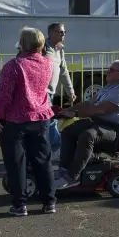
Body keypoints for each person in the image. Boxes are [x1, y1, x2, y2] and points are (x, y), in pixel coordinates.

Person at [0, 28, 56, 216]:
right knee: (43, 160)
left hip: (16, 120)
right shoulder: (47, 62)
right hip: (42, 116)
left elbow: (4, 96)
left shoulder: (14, 65)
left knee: (16, 163)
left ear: (22, 43)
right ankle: (49, 202)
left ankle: (20, 204)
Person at [55, 60, 119, 188]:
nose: (107, 72)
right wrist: (66, 111)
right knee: (69, 130)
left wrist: (74, 114)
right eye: (109, 69)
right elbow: (88, 104)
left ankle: (72, 177)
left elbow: (100, 109)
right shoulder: (109, 87)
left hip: (115, 131)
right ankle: (64, 169)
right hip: (102, 124)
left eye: (112, 70)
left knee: (88, 136)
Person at [44, 23, 75, 157]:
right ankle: (55, 148)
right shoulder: (43, 48)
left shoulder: (60, 50)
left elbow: (64, 71)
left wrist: (70, 90)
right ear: (51, 33)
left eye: (64, 32)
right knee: (50, 120)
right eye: (60, 32)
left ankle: (51, 149)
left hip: (51, 92)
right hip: (42, 91)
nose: (63, 34)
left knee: (51, 120)